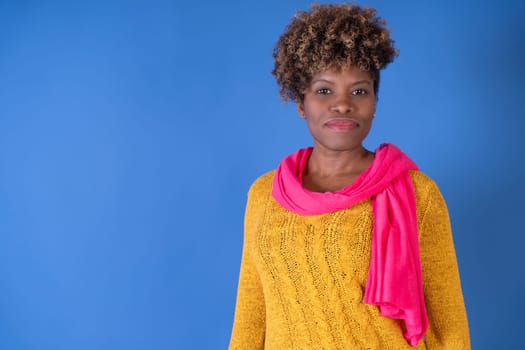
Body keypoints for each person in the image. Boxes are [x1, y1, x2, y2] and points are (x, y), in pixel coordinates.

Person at [229, 3, 470, 349]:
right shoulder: (264, 195)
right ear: (301, 102)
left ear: (374, 102)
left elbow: (450, 327)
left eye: (359, 91)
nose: (342, 105)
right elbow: (251, 319)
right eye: (324, 90)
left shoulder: (416, 194)